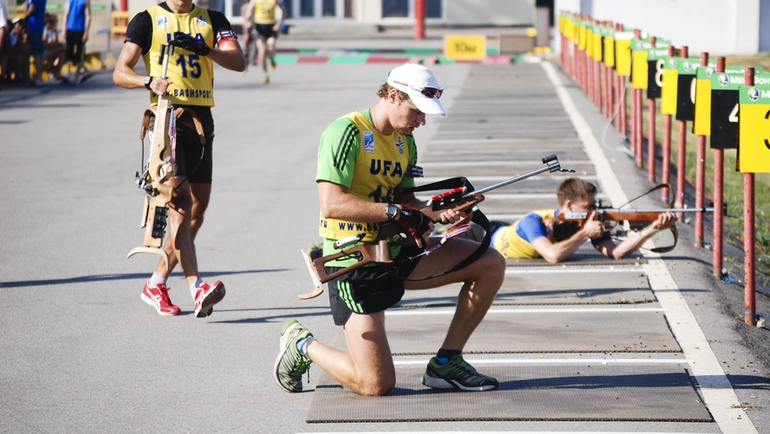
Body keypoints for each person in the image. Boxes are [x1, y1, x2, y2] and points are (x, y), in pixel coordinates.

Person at [274, 63, 506, 396]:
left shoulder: (405, 140)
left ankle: (447, 363)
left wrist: (436, 214)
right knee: (376, 385)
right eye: (417, 111)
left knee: (490, 263)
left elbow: (404, 197)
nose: (422, 121)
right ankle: (301, 344)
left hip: (396, 250)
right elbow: (332, 204)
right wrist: (396, 211)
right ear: (393, 96)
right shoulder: (346, 132)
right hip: (352, 262)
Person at [113, 0, 246, 317]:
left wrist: (207, 50)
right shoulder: (146, 21)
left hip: (201, 122)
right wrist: (148, 81)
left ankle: (155, 282)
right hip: (166, 119)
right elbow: (120, 71)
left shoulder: (212, 19)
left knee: (196, 211)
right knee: (181, 205)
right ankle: (196, 286)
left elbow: (239, 61)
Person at [488, 177, 677, 263]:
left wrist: (652, 229)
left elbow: (617, 252)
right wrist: (585, 233)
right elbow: (553, 256)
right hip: (484, 237)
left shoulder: (586, 223)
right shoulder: (534, 220)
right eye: (589, 206)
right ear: (570, 206)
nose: (594, 211)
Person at [243, 0, 285, 84]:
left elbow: (283, 10)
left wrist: (279, 23)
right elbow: (250, 10)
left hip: (271, 27)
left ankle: (272, 59)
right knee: (262, 50)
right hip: (259, 28)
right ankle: (265, 74)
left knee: (271, 45)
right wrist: (248, 21)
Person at [62, 0, 91, 83]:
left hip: (80, 29)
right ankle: (86, 70)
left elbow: (88, 16)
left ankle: (76, 77)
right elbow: (66, 14)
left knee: (79, 53)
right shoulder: (70, 1)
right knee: (69, 53)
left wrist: (86, 32)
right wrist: (64, 29)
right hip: (70, 29)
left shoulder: (85, 1)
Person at [25, 0, 46, 85]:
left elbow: (32, 8)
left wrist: (25, 17)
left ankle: (38, 77)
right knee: (39, 53)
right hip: (39, 27)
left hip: (33, 27)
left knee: (36, 53)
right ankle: (39, 76)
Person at [3, 18, 30, 85]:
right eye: (18, 25)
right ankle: (5, 77)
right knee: (11, 57)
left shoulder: (20, 37)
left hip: (15, 54)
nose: (20, 27)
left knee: (24, 56)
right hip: (7, 54)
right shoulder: (8, 35)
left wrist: (25, 39)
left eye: (21, 25)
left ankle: (22, 77)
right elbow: (8, 47)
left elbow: (24, 47)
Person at [42, 13, 68, 83]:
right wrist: (55, 45)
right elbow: (45, 44)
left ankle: (57, 72)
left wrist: (55, 33)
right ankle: (54, 72)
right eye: (51, 22)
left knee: (63, 53)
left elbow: (55, 41)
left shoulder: (51, 31)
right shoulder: (45, 31)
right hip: (45, 51)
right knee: (62, 48)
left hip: (51, 50)